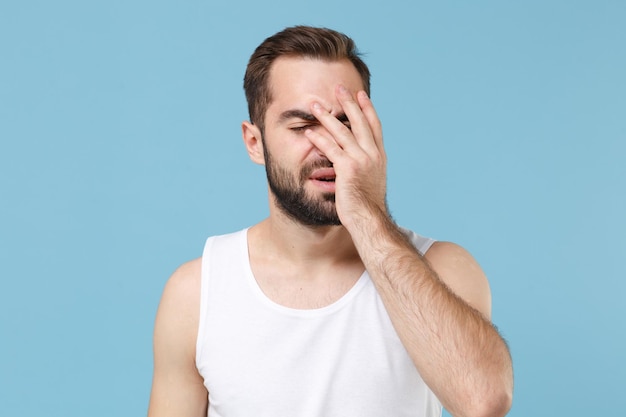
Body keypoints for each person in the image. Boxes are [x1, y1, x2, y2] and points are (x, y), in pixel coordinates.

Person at [147, 26, 513, 417]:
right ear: (255, 142)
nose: (330, 147)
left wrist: (367, 214)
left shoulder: (442, 268)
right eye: (303, 126)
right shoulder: (197, 292)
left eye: (346, 124)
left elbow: (484, 402)